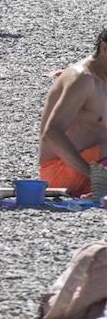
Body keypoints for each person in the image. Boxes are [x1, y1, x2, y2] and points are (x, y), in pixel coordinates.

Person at [38, 28, 107, 196]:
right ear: (105, 49)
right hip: (61, 172)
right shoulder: (83, 79)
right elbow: (52, 133)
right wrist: (96, 177)